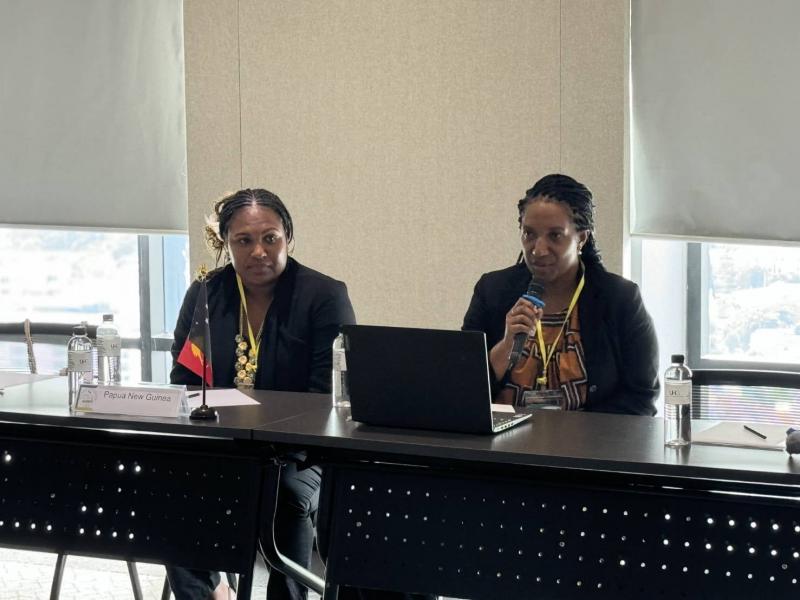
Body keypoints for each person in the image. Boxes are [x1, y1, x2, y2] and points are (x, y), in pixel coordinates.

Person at [167, 188, 356, 600]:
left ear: (289, 238)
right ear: (226, 244)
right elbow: (184, 378)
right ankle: (208, 591)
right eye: (244, 241)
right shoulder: (205, 293)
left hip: (301, 451)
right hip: (224, 445)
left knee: (283, 496)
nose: (258, 252)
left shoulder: (323, 296)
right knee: (173, 485)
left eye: (270, 238)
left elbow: (326, 396)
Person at [462, 174, 659, 415]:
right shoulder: (492, 290)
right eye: (529, 234)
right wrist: (507, 345)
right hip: (503, 436)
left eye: (555, 235)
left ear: (581, 238)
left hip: (590, 437)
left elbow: (641, 398)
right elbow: (463, 388)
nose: (538, 250)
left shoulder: (619, 299)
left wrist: (577, 431)